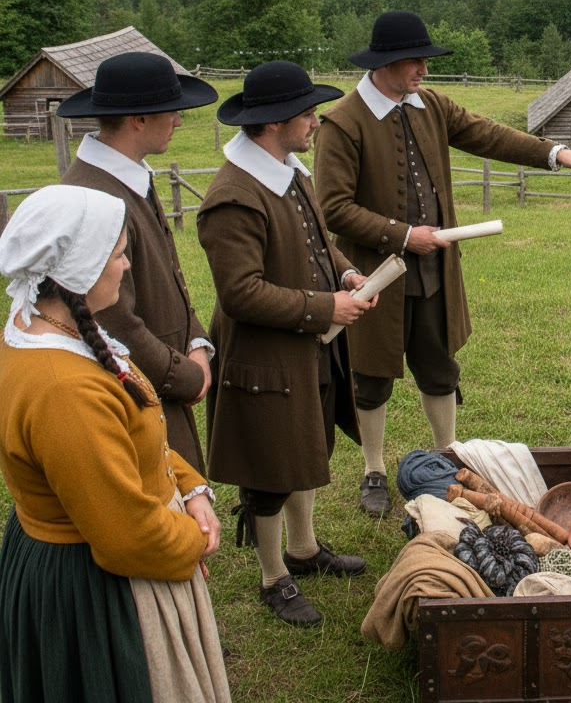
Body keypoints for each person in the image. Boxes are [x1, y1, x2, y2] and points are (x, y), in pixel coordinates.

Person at [315, 10, 571, 516]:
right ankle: (373, 470)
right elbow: (333, 208)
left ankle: (448, 457)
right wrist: (405, 235)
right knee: (372, 374)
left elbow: (487, 134)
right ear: (387, 63)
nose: (424, 72)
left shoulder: (429, 105)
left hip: (433, 273)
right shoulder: (343, 123)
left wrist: (556, 153)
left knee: (439, 366)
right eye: (416, 62)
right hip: (374, 274)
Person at [0, 184, 230, 702]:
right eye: (120, 255)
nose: (127, 268)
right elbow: (127, 535)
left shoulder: (51, 327)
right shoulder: (63, 389)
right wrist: (194, 541)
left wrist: (192, 490)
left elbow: (138, 426)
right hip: (96, 591)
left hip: (105, 552)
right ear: (78, 268)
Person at [197, 61, 373, 628]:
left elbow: (319, 243)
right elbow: (241, 293)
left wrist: (344, 274)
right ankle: (274, 577)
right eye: (307, 113)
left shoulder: (289, 169)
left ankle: (304, 549)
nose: (316, 122)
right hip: (263, 356)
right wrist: (327, 308)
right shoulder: (233, 197)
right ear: (274, 123)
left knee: (307, 445)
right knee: (271, 469)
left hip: (306, 344)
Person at [58, 51, 219, 474]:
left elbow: (170, 274)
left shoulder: (128, 176)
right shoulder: (95, 197)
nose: (180, 122)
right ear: (139, 119)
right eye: (173, 112)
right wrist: (185, 376)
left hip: (159, 377)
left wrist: (196, 343)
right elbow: (110, 317)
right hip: (133, 394)